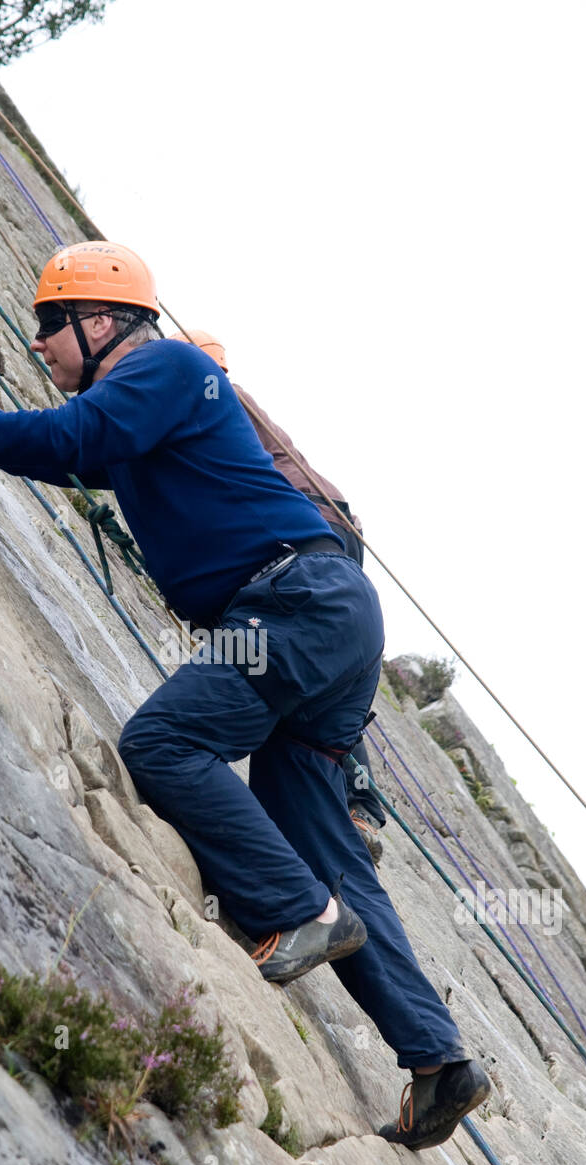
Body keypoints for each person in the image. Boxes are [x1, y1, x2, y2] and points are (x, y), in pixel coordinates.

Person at [0, 240, 490, 1150]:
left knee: (162, 744)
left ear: (101, 320)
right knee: (318, 838)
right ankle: (438, 1063)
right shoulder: (142, 410)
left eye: (48, 326)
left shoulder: (166, 365)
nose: (41, 345)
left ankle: (301, 914)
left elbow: (66, 436)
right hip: (321, 616)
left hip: (291, 605)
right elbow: (53, 450)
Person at [170, 330, 386, 861]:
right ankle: (358, 803)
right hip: (331, 523)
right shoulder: (236, 399)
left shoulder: (221, 398)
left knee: (295, 663)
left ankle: (359, 802)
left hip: (308, 523)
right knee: (316, 673)